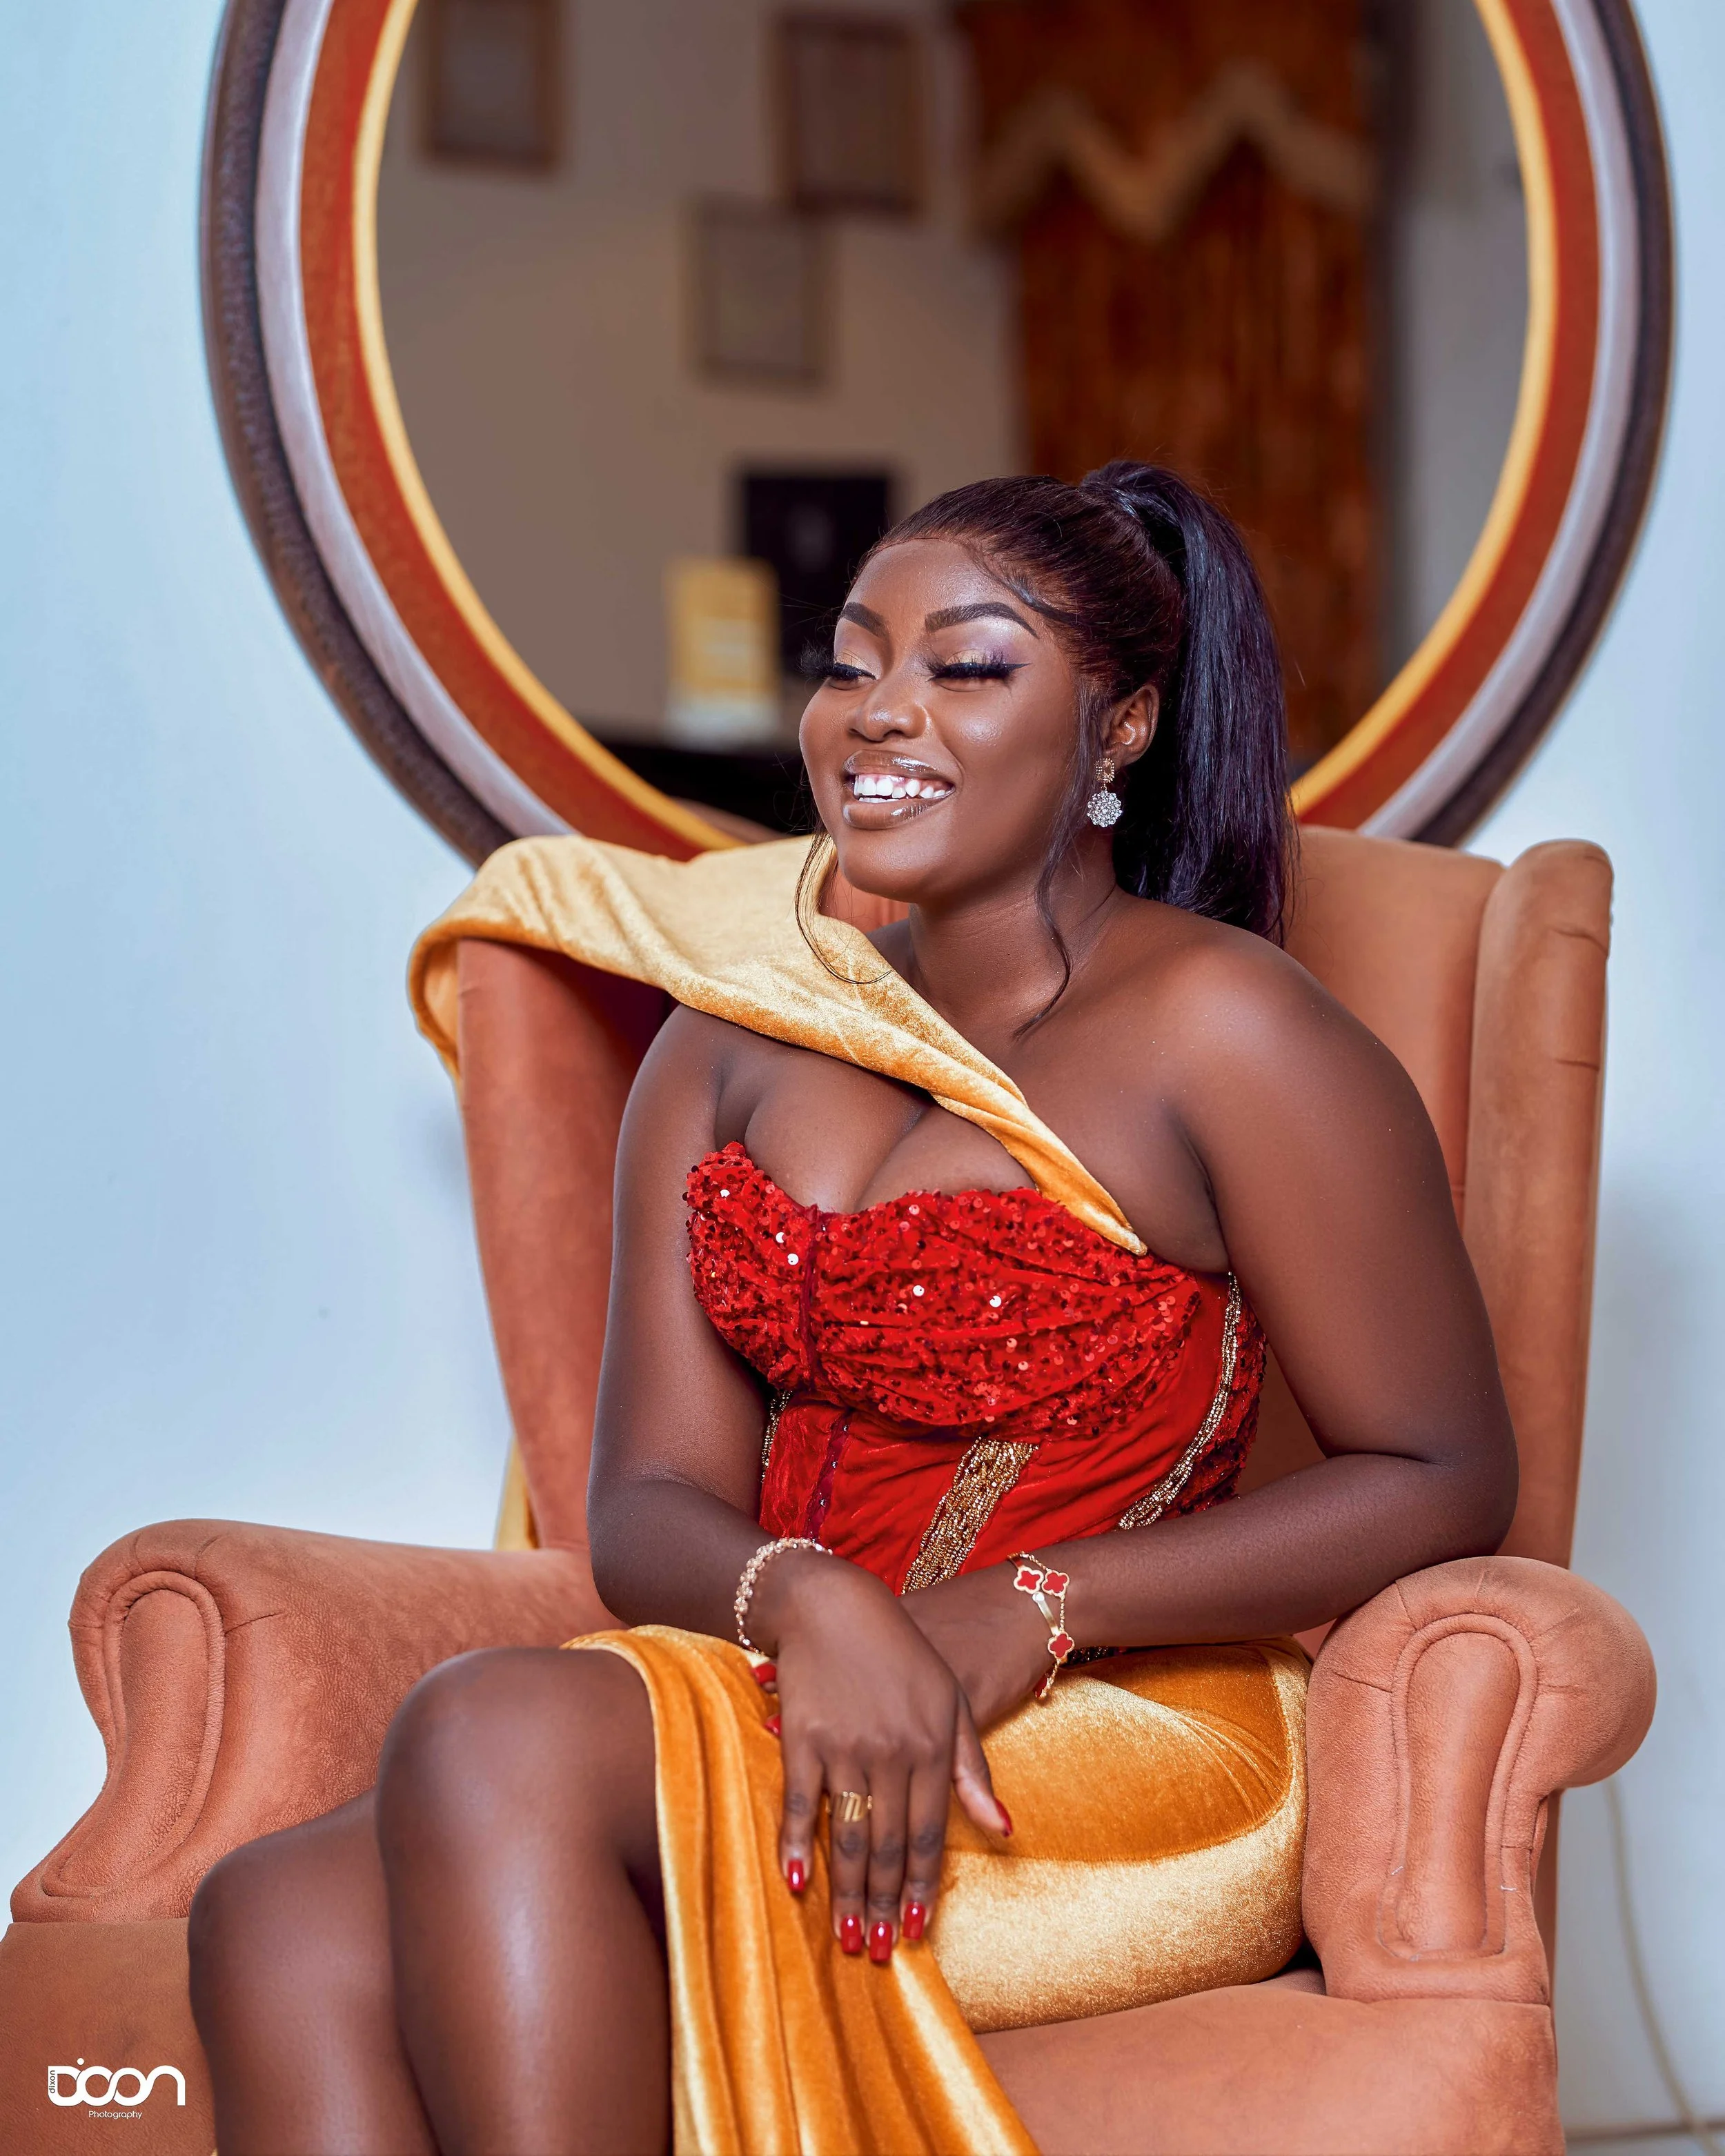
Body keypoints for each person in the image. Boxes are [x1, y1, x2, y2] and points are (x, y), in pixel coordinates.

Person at [186, 464, 1517, 2155]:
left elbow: (1439, 1467)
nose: (880, 713)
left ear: (1117, 728)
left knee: (491, 1728)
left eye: (966, 667)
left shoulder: (1228, 1032)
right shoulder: (728, 1037)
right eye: (848, 662)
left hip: (1117, 1723)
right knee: (271, 1914)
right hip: (790, 1675)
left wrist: (1029, 1604)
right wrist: (808, 1598)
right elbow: (645, 1499)